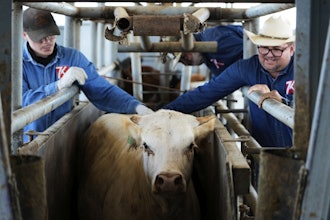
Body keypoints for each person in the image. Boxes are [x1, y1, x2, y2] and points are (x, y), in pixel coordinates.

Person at [22, 8, 153, 143]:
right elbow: (21, 100)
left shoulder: (72, 58)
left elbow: (102, 90)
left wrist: (137, 107)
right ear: (25, 35)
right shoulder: (16, 64)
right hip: (27, 142)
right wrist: (57, 86)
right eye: (40, 38)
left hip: (63, 141)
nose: (47, 41)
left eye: (51, 35)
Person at [164, 15, 295, 148]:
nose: (269, 54)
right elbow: (208, 92)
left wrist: (285, 103)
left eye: (277, 49)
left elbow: (315, 113)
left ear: (291, 49)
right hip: (265, 156)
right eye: (264, 48)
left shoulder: (306, 71)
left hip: (306, 158)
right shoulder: (248, 68)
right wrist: (164, 113)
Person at [173, 25, 243, 78]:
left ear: (189, 40)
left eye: (184, 55)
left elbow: (249, 53)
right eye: (181, 61)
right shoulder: (207, 56)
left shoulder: (216, 39)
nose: (186, 62)